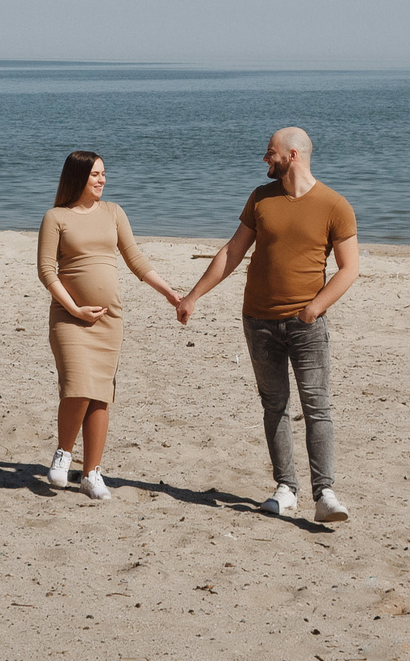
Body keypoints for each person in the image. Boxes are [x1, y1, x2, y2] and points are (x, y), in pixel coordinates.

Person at [175, 126, 361, 523]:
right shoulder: (260, 199)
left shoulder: (335, 205)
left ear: (293, 155)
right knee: (273, 406)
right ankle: (285, 487)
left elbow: (350, 269)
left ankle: (324, 492)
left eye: (270, 152)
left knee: (317, 406)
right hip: (257, 320)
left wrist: (313, 309)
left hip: (306, 324)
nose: (265, 159)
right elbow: (232, 251)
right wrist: (193, 296)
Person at [36, 150, 184, 501]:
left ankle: (91, 473)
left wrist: (170, 294)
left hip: (108, 320)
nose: (102, 180)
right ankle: (63, 454)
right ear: (77, 178)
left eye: (103, 174)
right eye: (94, 175)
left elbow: (135, 259)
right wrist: (73, 308)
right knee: (77, 385)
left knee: (100, 394)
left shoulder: (114, 213)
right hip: (69, 317)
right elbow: (46, 271)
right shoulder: (56, 217)